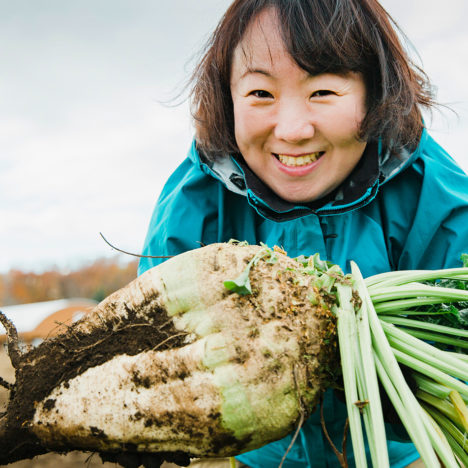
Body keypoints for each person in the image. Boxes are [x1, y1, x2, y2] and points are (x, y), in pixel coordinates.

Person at [138, 0, 468, 467]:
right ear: (226, 96)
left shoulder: (436, 199)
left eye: (323, 92)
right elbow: (156, 337)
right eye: (260, 94)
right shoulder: (195, 203)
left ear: (373, 94)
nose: (292, 130)